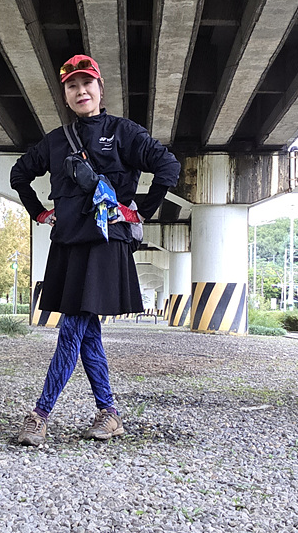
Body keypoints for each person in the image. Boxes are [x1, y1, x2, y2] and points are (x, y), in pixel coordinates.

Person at [10, 54, 180, 446]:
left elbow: (168, 166)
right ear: (65, 95)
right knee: (86, 332)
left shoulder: (123, 132)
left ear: (100, 89)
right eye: (72, 86)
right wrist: (40, 213)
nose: (80, 91)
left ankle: (40, 415)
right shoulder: (55, 141)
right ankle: (109, 413)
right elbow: (19, 174)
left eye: (87, 83)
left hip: (104, 245)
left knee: (72, 327)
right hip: (68, 245)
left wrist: (137, 212)